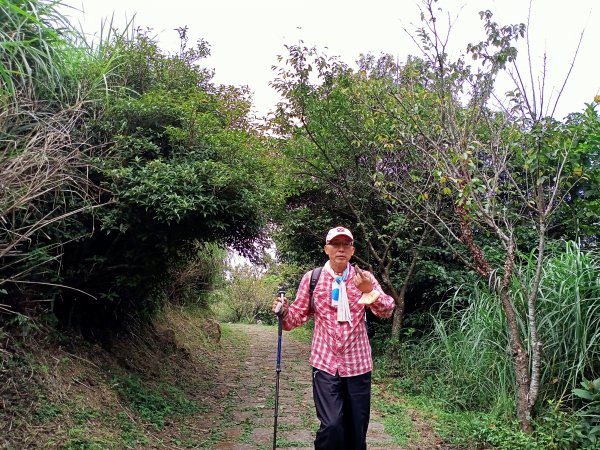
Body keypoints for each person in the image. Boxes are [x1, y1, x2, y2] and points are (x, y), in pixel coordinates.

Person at [272, 226, 395, 450]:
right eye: (335, 244)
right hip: (325, 362)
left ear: (352, 250)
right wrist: (283, 312)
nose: (340, 249)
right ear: (326, 249)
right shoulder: (313, 278)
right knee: (331, 426)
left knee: (357, 432)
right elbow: (294, 318)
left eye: (345, 244)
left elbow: (387, 310)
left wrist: (369, 291)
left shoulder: (363, 278)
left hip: (358, 364)